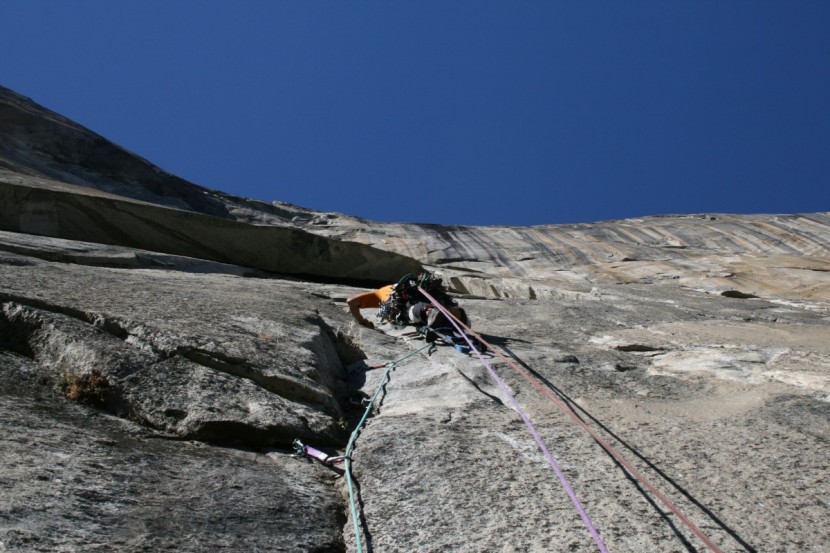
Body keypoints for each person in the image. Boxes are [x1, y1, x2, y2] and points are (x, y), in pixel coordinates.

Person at [347, 271, 467, 330]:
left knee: (407, 310)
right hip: (421, 289)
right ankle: (453, 312)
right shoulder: (407, 283)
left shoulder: (379, 293)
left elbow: (351, 301)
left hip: (399, 299)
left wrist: (362, 322)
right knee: (430, 299)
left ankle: (429, 311)